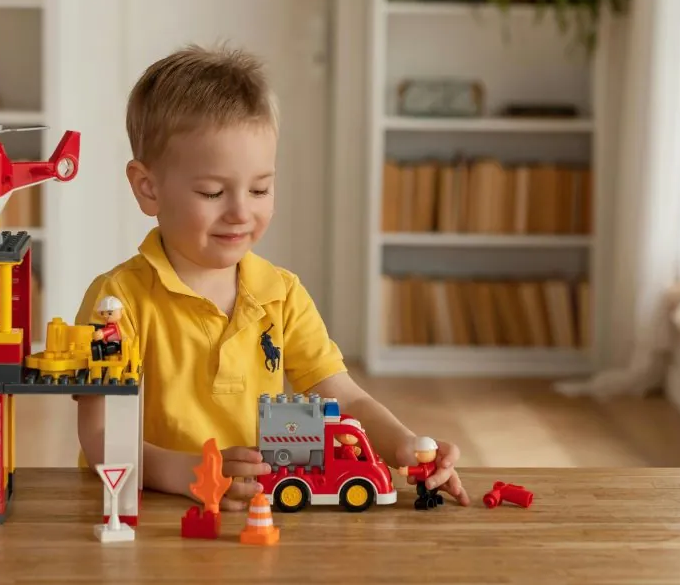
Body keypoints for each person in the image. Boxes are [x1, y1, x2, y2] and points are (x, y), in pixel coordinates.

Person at [74, 44, 469, 511]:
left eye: (261, 188)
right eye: (213, 191)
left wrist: (404, 445)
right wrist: (181, 472)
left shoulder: (281, 294)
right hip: (147, 510)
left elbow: (345, 400)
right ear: (148, 188)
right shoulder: (117, 301)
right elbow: (98, 432)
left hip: (255, 513)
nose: (241, 211)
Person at [397, 436, 445, 510]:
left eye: (420, 453)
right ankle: (430, 497)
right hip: (424, 482)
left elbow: (417, 470)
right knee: (428, 490)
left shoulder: (427, 466)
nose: (416, 455)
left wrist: (406, 470)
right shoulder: (430, 465)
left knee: (424, 491)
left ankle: (428, 497)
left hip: (424, 483)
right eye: (416, 452)